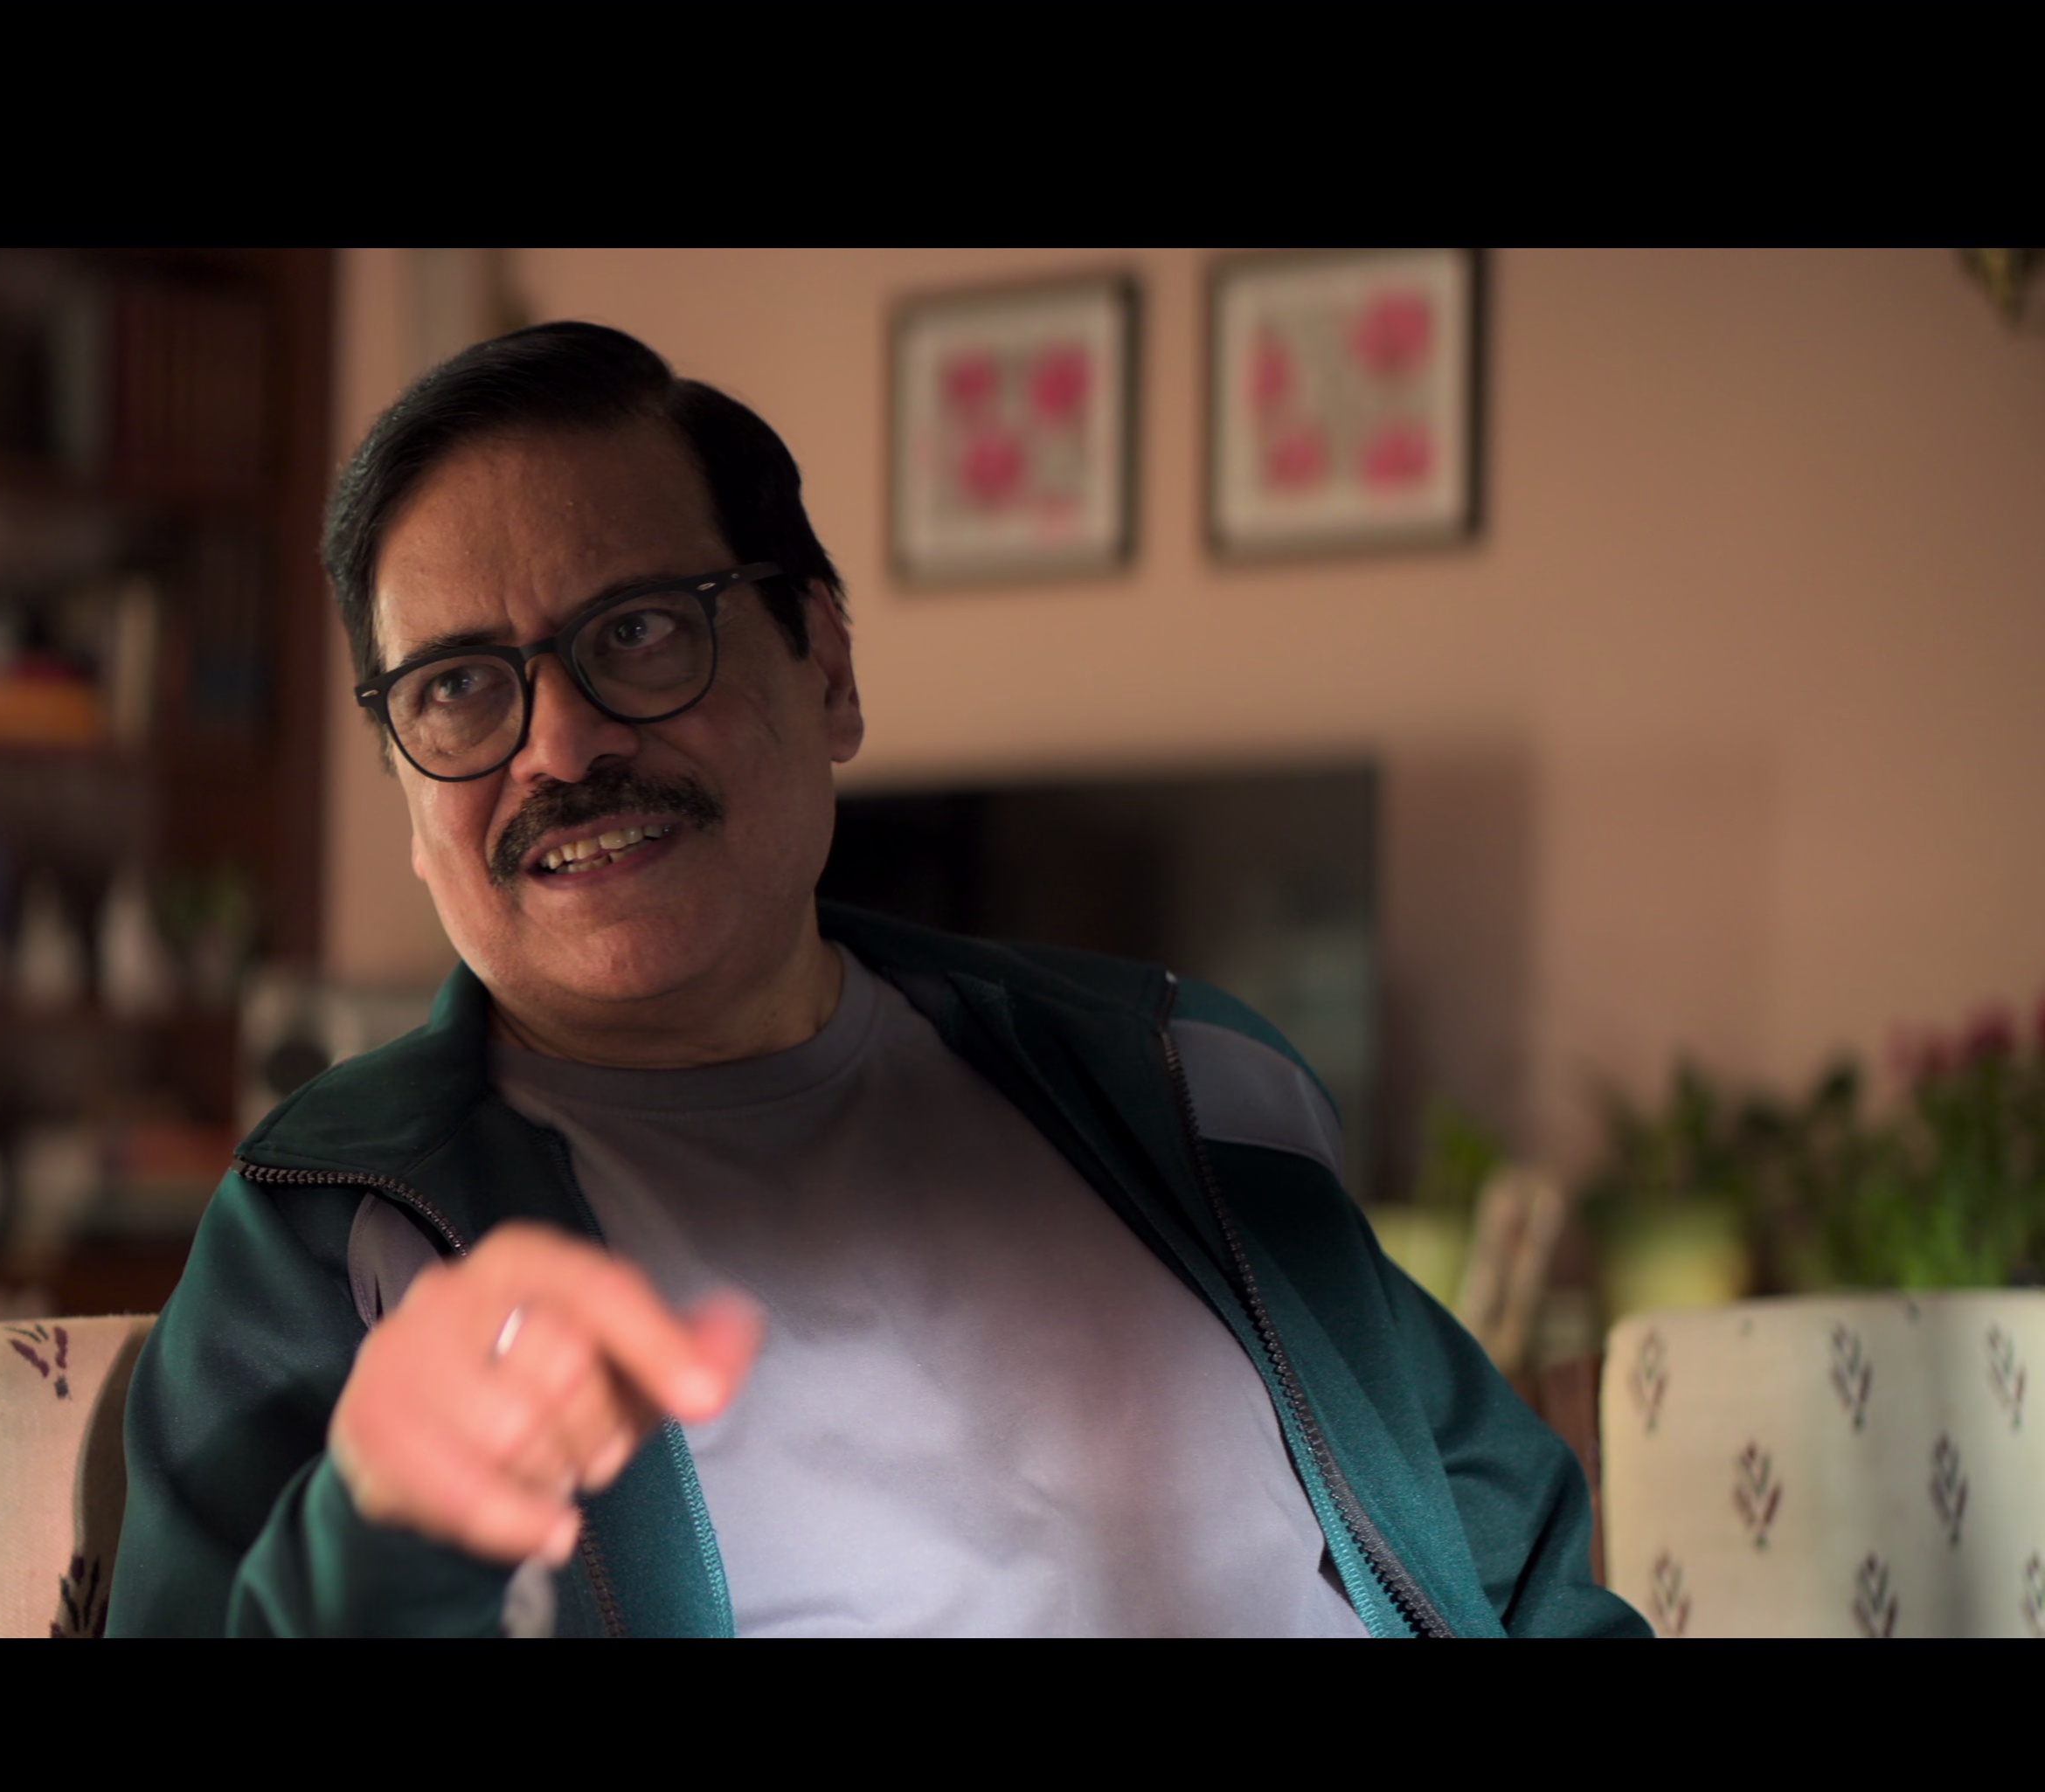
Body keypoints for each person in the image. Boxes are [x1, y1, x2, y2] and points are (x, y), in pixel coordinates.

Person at [111, 322, 1641, 1637]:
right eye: (457, 687)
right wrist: (379, 1534)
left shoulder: (1187, 1085)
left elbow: (1524, 1575)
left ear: (827, 669)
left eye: (638, 632)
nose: (560, 745)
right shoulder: (325, 1233)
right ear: (404, 788)